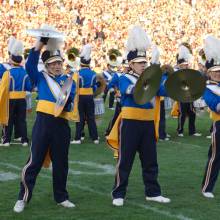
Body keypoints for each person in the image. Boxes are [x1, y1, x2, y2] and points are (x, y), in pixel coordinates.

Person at [13, 25, 76, 213]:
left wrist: (69, 103)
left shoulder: (68, 79)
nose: (57, 66)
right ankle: (22, 198)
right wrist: (39, 44)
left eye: (59, 63)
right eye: (53, 63)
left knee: (61, 163)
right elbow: (30, 64)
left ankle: (61, 197)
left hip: (61, 125)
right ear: (47, 65)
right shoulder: (40, 77)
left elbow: (70, 101)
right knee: (34, 162)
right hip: (43, 124)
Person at [106, 26, 170, 206]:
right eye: (139, 62)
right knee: (125, 160)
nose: (143, 64)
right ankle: (118, 193)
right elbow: (136, 92)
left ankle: (153, 192)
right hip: (130, 123)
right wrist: (154, 78)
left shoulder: (152, 79)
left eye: (145, 62)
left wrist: (168, 79)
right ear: (131, 64)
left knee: (150, 161)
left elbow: (166, 90)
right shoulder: (124, 78)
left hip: (148, 123)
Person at [0, 36, 32, 147]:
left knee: (8, 119)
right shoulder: (25, 73)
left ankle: (6, 140)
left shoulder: (7, 73)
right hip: (22, 99)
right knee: (21, 120)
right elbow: (29, 87)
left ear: (11, 60)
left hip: (10, 99)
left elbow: (4, 89)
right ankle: (24, 140)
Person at [201, 35, 220, 199]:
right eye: (215, 72)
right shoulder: (208, 89)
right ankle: (207, 187)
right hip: (219, 125)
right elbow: (217, 106)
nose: (218, 74)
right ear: (209, 73)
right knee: (215, 158)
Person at [71, 44, 99, 144]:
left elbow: (74, 87)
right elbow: (95, 86)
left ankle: (78, 138)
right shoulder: (94, 73)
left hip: (80, 97)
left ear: (81, 62)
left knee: (80, 117)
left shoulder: (78, 73)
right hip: (90, 96)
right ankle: (95, 138)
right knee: (91, 117)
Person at [175, 43, 201, 137]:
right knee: (182, 113)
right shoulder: (176, 72)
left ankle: (192, 131)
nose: (186, 66)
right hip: (181, 95)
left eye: (186, 64)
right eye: (184, 65)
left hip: (189, 95)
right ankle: (180, 130)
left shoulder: (189, 71)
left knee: (192, 113)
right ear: (180, 65)